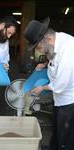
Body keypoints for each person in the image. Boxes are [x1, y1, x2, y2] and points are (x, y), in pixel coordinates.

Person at [24, 17, 74, 150]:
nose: (40, 50)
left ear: (48, 39)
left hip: (69, 102)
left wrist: (42, 87)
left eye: (39, 46)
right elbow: (56, 62)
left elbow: (62, 84)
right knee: (56, 131)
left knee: (66, 138)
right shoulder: (56, 42)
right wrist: (45, 65)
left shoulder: (69, 48)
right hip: (59, 99)